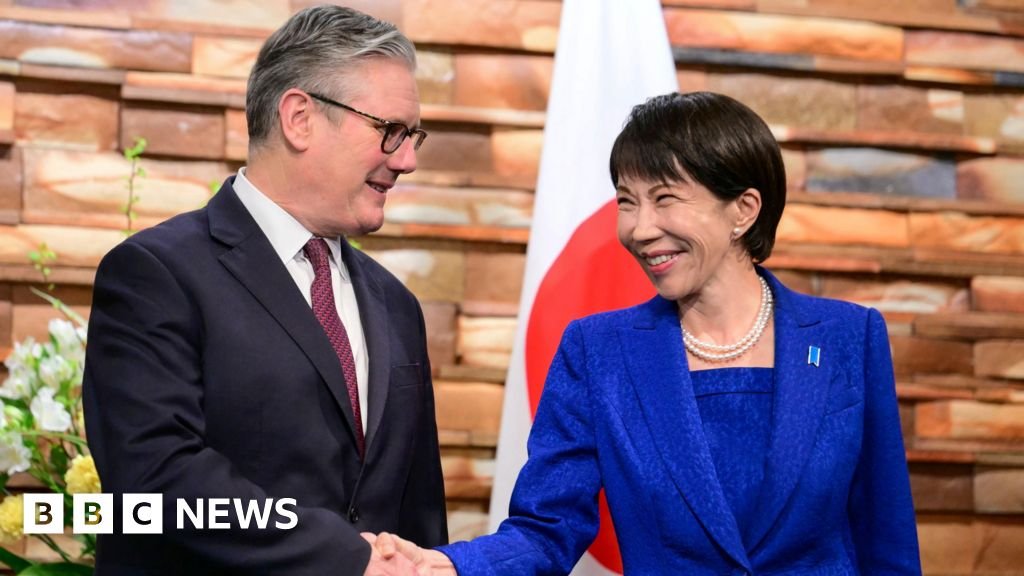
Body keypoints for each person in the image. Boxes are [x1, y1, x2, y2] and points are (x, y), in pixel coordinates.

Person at [372, 91, 921, 575]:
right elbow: (547, 528)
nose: (639, 228)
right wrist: (452, 565)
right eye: (627, 201)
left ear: (743, 210)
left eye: (664, 198)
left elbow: (887, 542)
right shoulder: (597, 352)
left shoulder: (850, 337)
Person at [83, 5, 446, 575]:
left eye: (413, 135)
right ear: (299, 118)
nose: (408, 160)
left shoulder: (396, 304)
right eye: (390, 131)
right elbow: (154, 479)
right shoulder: (156, 274)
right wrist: (346, 558)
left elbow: (419, 511)